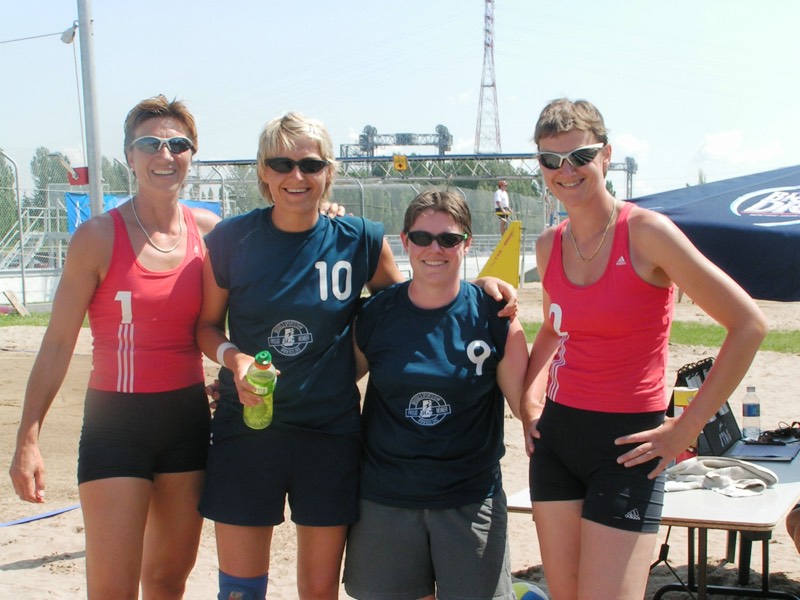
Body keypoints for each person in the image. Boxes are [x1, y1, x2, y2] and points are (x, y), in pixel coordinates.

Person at [194, 112, 518, 600]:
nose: (296, 175)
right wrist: (232, 358)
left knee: (319, 590)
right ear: (263, 170)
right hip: (250, 425)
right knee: (239, 590)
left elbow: (414, 303)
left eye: (310, 164)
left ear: (329, 171)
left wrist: (478, 288)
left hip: (329, 433)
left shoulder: (360, 239)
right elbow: (205, 327)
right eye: (282, 163)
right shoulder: (231, 239)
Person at [521, 98, 768, 600]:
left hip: (632, 445)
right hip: (558, 441)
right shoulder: (549, 245)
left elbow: (748, 325)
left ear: (606, 155)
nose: (565, 171)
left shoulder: (646, 232)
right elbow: (552, 329)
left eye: (580, 156)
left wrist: (687, 428)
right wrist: (528, 400)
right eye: (551, 160)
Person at [8, 94, 221, 599]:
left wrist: (326, 210)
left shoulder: (212, 234)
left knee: (167, 581)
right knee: (112, 590)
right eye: (150, 144)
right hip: (116, 426)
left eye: (178, 145)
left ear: (192, 156)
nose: (165, 155)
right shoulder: (98, 236)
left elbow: (227, 317)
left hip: (188, 422)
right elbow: (58, 342)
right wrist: (28, 438)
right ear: (129, 155)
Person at [342, 190, 529, 600]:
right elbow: (331, 383)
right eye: (422, 237)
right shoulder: (375, 315)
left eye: (448, 239)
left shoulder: (495, 315)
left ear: (466, 243)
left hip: (469, 498)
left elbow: (527, 408)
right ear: (404, 241)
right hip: (386, 497)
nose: (435, 249)